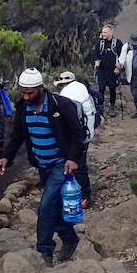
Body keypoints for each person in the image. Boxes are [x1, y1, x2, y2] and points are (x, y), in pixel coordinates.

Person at [0, 68, 85, 268]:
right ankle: (69, 238)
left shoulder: (60, 106)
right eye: (22, 92)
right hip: (42, 164)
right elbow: (17, 136)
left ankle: (44, 250)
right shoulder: (23, 108)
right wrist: (5, 158)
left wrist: (71, 159)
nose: (26, 96)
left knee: (45, 206)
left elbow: (77, 135)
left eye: (30, 93)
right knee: (54, 205)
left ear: (41, 88)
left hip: (61, 164)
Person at [53, 71, 94, 210]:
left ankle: (83, 196)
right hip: (86, 134)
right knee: (80, 164)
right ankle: (83, 195)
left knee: (76, 164)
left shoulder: (65, 97)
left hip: (73, 137)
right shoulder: (83, 90)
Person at [93, 24, 124, 117]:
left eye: (105, 32)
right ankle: (100, 106)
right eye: (102, 32)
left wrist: (119, 68)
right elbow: (95, 54)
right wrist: (96, 61)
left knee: (112, 88)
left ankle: (112, 106)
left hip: (112, 71)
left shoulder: (117, 43)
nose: (103, 34)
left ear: (111, 32)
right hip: (102, 70)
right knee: (101, 89)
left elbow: (122, 57)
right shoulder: (100, 43)